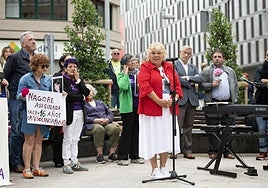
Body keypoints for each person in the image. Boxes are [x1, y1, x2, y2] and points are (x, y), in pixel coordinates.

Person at [138, 42, 183, 179]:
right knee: (153, 137)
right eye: (153, 53)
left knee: (166, 137)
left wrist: (173, 99)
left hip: (168, 107)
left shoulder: (170, 67)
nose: (156, 55)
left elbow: (178, 87)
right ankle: (154, 169)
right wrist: (159, 101)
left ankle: (163, 168)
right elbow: (144, 86)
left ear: (164, 55)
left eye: (159, 53)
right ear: (149, 55)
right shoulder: (145, 67)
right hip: (152, 107)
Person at [3, 31, 36, 173]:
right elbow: (5, 76)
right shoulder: (15, 57)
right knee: (17, 131)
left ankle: (25, 161)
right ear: (23, 43)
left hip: (34, 101)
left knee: (28, 132)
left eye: (34, 39)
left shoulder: (37, 59)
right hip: (17, 100)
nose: (34, 41)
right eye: (30, 40)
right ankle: (15, 162)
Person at [17, 54, 51, 179]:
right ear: (35, 65)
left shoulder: (48, 79)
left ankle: (36, 167)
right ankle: (26, 168)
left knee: (39, 141)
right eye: (43, 66)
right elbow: (18, 96)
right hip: (29, 112)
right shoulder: (25, 79)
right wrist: (24, 94)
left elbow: (52, 96)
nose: (45, 68)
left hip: (43, 114)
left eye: (47, 65)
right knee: (29, 140)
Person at [200, 49, 238, 159]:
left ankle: (227, 151)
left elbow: (234, 86)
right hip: (213, 103)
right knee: (213, 129)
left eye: (219, 56)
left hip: (228, 104)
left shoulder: (230, 71)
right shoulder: (207, 71)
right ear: (212, 59)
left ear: (223, 59)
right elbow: (201, 85)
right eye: (215, 57)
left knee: (228, 128)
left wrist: (235, 100)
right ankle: (213, 151)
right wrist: (211, 85)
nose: (217, 58)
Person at [62, 57, 90, 174]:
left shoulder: (78, 79)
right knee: (68, 138)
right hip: (69, 112)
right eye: (70, 67)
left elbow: (87, 93)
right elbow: (67, 96)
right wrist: (81, 97)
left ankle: (75, 161)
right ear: (65, 68)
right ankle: (66, 162)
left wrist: (78, 81)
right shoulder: (62, 80)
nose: (73, 69)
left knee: (76, 138)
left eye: (75, 67)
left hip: (80, 112)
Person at [173, 45, 202, 159]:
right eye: (184, 52)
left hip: (192, 100)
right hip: (180, 99)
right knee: (177, 125)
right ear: (180, 52)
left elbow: (199, 79)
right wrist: (189, 81)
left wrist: (188, 78)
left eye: (189, 53)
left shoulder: (193, 67)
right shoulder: (174, 65)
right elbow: (176, 79)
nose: (186, 55)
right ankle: (174, 149)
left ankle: (187, 149)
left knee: (189, 126)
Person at [116, 54, 145, 166]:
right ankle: (122, 156)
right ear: (125, 64)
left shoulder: (139, 74)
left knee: (136, 131)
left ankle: (135, 155)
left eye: (134, 61)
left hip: (138, 105)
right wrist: (125, 74)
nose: (133, 63)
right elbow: (123, 86)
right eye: (130, 61)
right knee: (127, 131)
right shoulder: (121, 75)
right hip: (127, 107)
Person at [83, 84, 120, 164]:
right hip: (91, 125)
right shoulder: (83, 104)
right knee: (99, 129)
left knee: (114, 129)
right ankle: (100, 155)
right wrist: (94, 120)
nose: (89, 93)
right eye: (87, 91)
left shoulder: (100, 103)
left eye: (90, 91)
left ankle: (112, 154)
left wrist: (108, 119)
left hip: (105, 123)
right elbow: (83, 117)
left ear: (93, 92)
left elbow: (109, 113)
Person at [49, 54, 72, 168]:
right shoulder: (57, 76)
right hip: (59, 107)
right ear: (63, 63)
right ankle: (58, 159)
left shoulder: (74, 76)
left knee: (69, 135)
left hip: (70, 107)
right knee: (58, 134)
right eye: (68, 61)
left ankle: (70, 157)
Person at [254, 50, 268, 160]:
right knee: (262, 128)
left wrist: (266, 81)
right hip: (261, 103)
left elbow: (263, 82)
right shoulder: (260, 69)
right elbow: (258, 84)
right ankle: (263, 151)